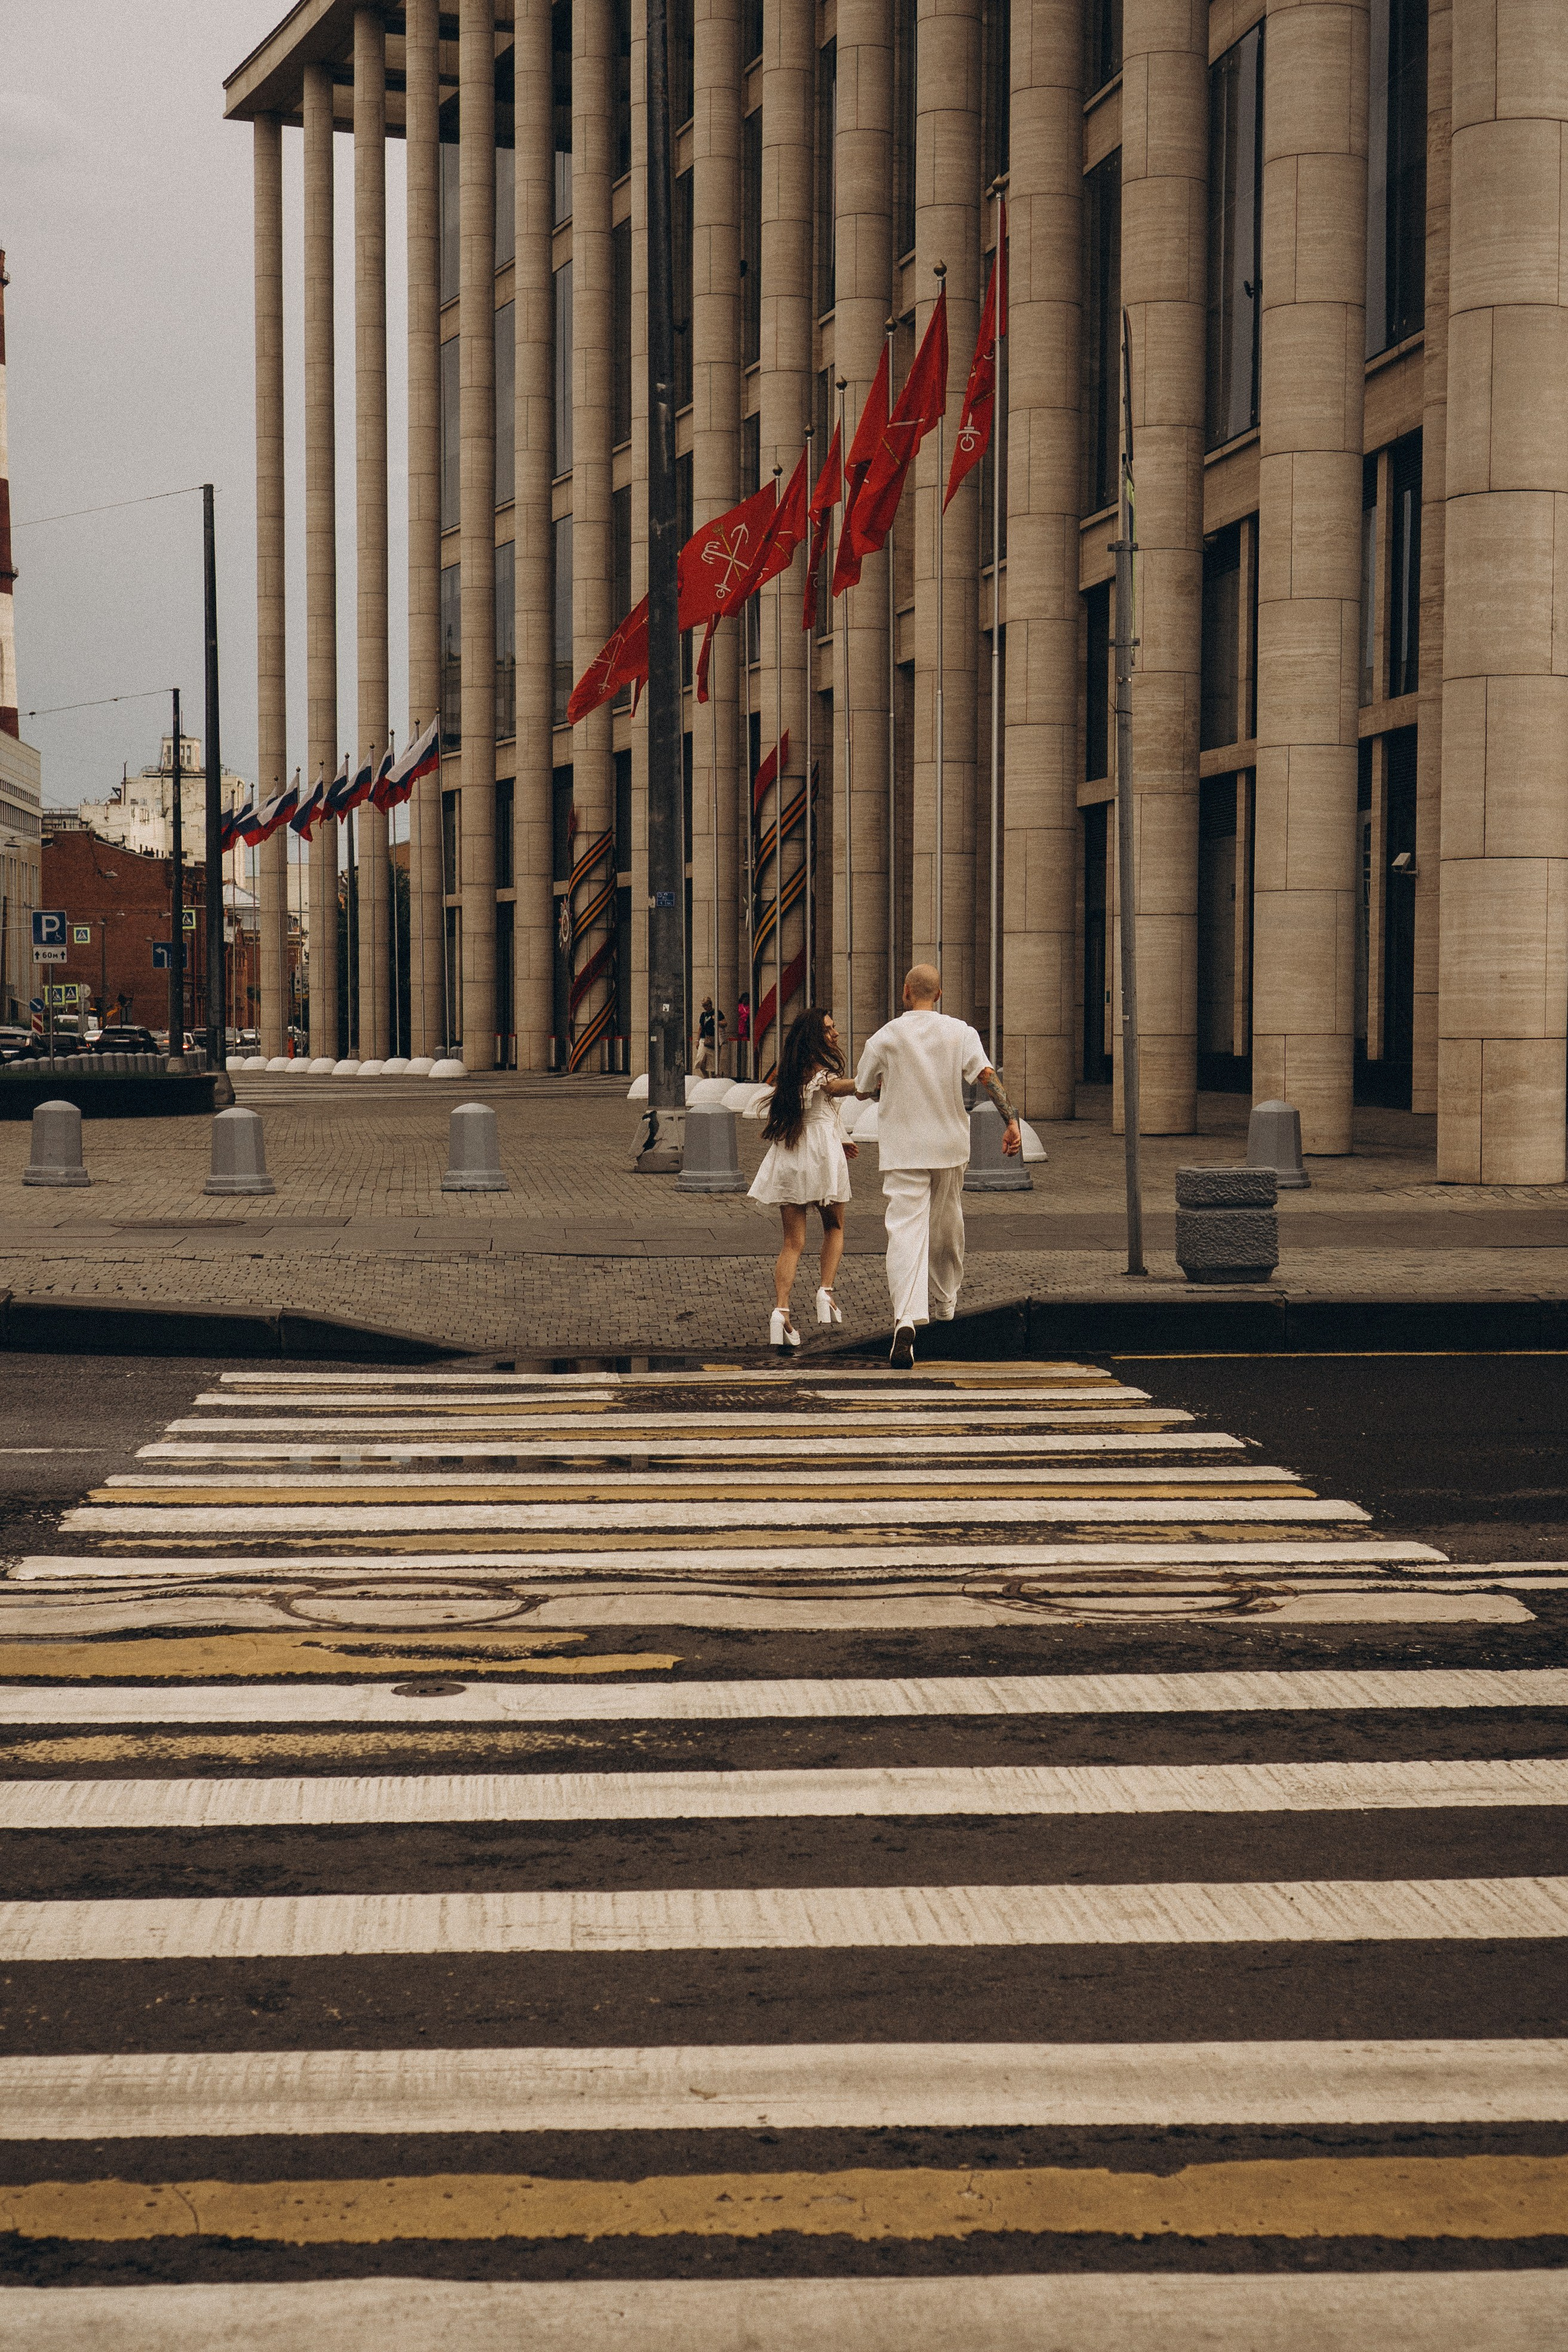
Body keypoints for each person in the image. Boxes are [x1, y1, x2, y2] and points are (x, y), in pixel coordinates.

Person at [853, 963, 1022, 1367]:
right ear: (940, 994)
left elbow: (862, 1088)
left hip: (903, 1150)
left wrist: (883, 1088)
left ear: (906, 991)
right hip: (948, 1147)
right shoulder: (962, 1033)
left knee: (905, 1233)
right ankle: (945, 1303)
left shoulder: (886, 1036)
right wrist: (1011, 1120)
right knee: (947, 1224)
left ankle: (906, 1320)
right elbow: (986, 1077)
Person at [748, 1006, 861, 1347]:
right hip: (821, 1156)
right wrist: (873, 1079)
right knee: (834, 1227)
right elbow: (840, 1089)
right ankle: (825, 1292)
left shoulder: (791, 1072)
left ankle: (780, 1313)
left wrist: (844, 1139)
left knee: (792, 1243)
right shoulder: (822, 1074)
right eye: (829, 1029)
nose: (836, 1033)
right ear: (815, 1036)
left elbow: (817, 1112)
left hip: (791, 1155)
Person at [694, 997, 726, 1077]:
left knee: (712, 1064)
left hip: (714, 1040)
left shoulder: (717, 1013)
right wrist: (697, 1040)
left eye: (707, 1005)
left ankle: (712, 1079)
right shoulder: (703, 1015)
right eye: (704, 1006)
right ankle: (706, 1076)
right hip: (704, 1039)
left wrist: (717, 1022)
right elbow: (700, 1028)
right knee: (700, 1060)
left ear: (710, 1004)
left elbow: (725, 1023)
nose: (706, 1008)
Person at [736, 992, 752, 1080]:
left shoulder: (749, 1006)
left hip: (747, 1026)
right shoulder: (739, 1006)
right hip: (740, 1025)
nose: (746, 1000)